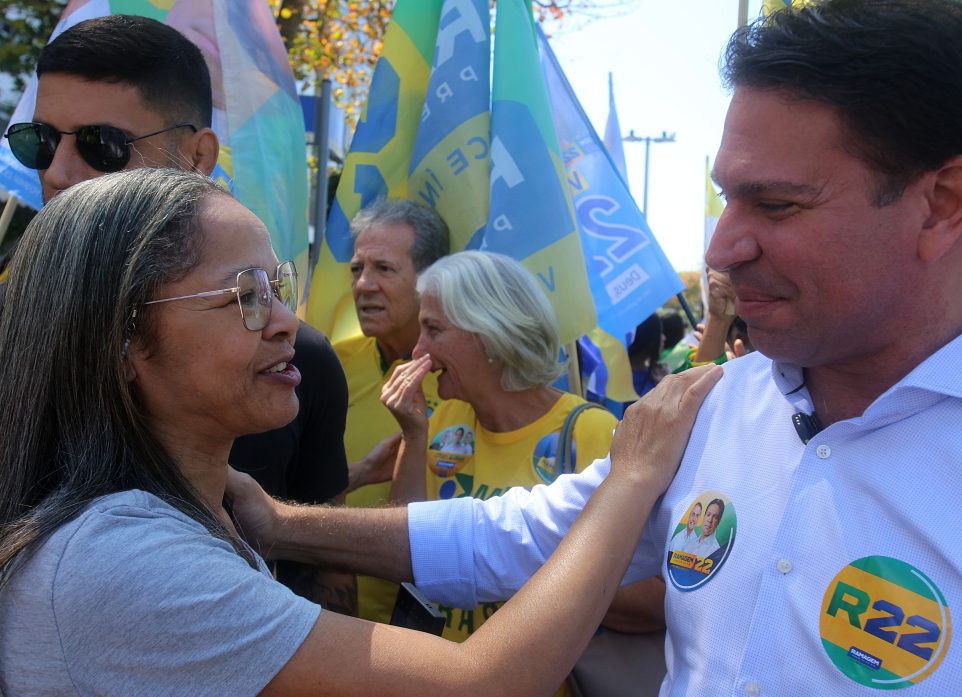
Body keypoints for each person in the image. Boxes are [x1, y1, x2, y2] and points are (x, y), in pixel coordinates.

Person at [226, 1, 962, 693]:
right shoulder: (708, 408)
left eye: (777, 204)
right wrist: (269, 519)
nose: (724, 248)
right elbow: (511, 536)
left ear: (941, 204)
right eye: (727, 198)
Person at [0, 166, 721, 696]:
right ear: (123, 343)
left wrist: (279, 524)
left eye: (277, 286)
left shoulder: (182, 522)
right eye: (245, 296)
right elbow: (480, 684)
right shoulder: (121, 555)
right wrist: (631, 477)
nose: (287, 319)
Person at [1, 15, 352, 610]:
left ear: (196, 157)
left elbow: (329, 585)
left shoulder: (296, 364)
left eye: (100, 145)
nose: (58, 173)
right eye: (37, 140)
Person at [363, 252, 663, 688]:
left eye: (434, 329)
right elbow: (406, 550)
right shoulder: (445, 420)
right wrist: (413, 437)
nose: (417, 350)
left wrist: (504, 561)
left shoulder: (591, 433)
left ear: (490, 333)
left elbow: (656, 600)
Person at [340, 197, 450, 624]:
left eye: (384, 269)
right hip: (338, 627)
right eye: (356, 269)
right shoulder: (326, 367)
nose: (364, 285)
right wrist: (358, 474)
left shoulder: (467, 378)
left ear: (430, 279)